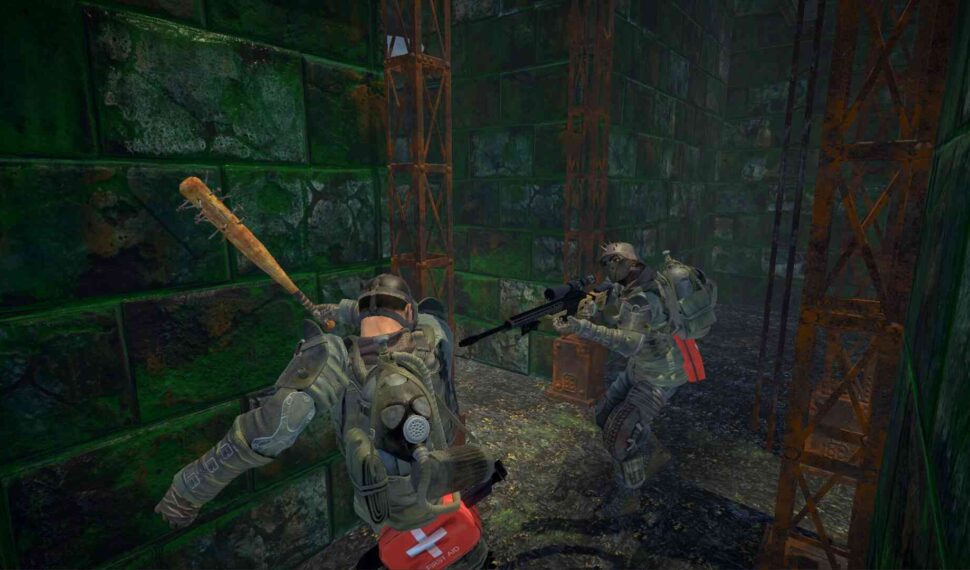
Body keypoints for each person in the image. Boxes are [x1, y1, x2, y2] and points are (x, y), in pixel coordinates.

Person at [155, 274, 498, 570]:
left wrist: (189, 490)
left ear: (361, 312)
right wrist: (342, 310)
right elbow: (425, 310)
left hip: (390, 516)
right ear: (408, 311)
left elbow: (274, 427)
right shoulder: (434, 332)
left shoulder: (336, 359)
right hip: (448, 497)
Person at [552, 244, 716, 516]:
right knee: (603, 416)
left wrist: (582, 327)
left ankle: (628, 496)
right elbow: (608, 294)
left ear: (624, 262)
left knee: (620, 437)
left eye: (610, 263)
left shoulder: (643, 298)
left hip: (661, 376)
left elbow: (629, 343)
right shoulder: (633, 283)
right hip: (639, 367)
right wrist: (588, 305)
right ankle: (651, 451)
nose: (607, 269)